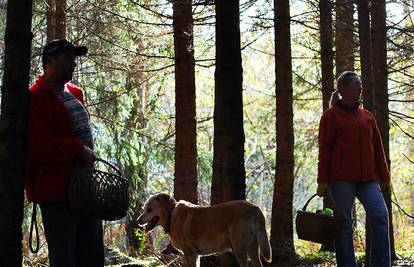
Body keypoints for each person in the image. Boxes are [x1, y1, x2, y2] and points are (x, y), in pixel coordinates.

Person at [25, 39, 104, 267]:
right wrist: (78, 149)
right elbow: (39, 145)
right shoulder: (37, 97)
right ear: (49, 62)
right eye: (67, 59)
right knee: (65, 257)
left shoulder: (74, 92)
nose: (73, 64)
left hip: (84, 188)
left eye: (74, 59)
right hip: (56, 191)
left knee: (92, 255)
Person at [316, 71, 391, 267]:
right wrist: (322, 180)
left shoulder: (367, 116)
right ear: (344, 88)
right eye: (356, 84)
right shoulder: (330, 116)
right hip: (341, 179)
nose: (360, 87)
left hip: (368, 178)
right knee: (344, 225)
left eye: (360, 84)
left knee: (380, 216)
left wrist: (384, 176)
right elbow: (324, 150)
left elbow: (378, 149)